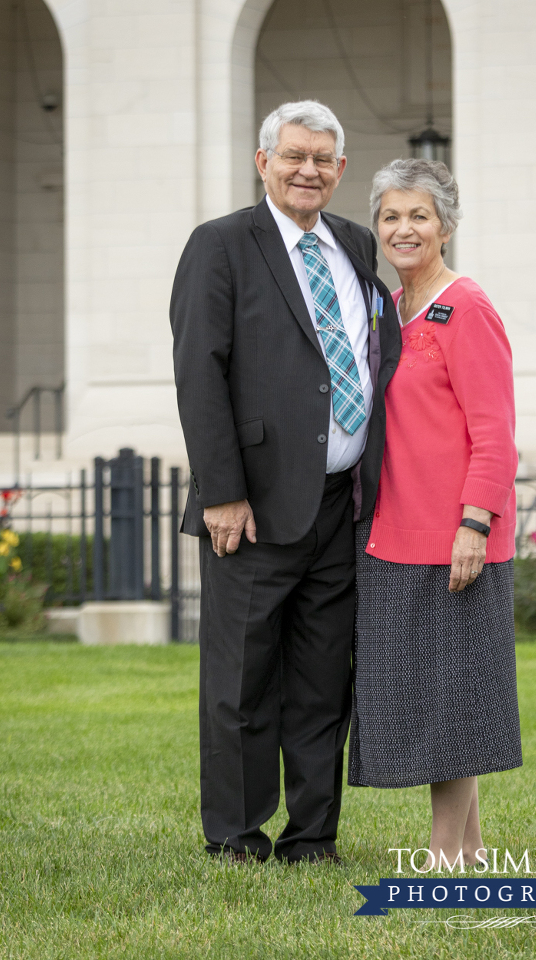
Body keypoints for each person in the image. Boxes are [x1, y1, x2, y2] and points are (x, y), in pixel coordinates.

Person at [169, 101, 400, 864]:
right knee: (241, 675)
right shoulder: (222, 244)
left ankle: (313, 836)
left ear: (340, 168)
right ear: (262, 161)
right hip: (255, 505)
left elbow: (371, 354)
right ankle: (235, 832)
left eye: (323, 159)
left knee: (321, 678)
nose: (309, 170)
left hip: (341, 504)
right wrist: (220, 490)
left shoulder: (357, 245)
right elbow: (200, 374)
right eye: (294, 155)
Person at [349, 158, 522, 869]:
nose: (403, 228)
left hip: (455, 538)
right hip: (394, 535)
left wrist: (474, 524)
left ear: (445, 225)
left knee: (452, 703)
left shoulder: (467, 306)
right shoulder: (390, 312)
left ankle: (445, 856)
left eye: (419, 215)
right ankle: (473, 848)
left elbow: (496, 432)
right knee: (438, 698)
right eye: (391, 216)